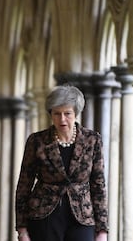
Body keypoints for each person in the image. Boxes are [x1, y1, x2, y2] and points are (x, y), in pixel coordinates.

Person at [15, 85, 108, 241]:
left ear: (76, 113)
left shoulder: (92, 140)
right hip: (44, 217)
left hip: (82, 218)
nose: (62, 119)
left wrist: (102, 230)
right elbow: (24, 186)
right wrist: (22, 229)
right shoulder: (37, 141)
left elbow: (98, 185)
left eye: (67, 113)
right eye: (57, 113)